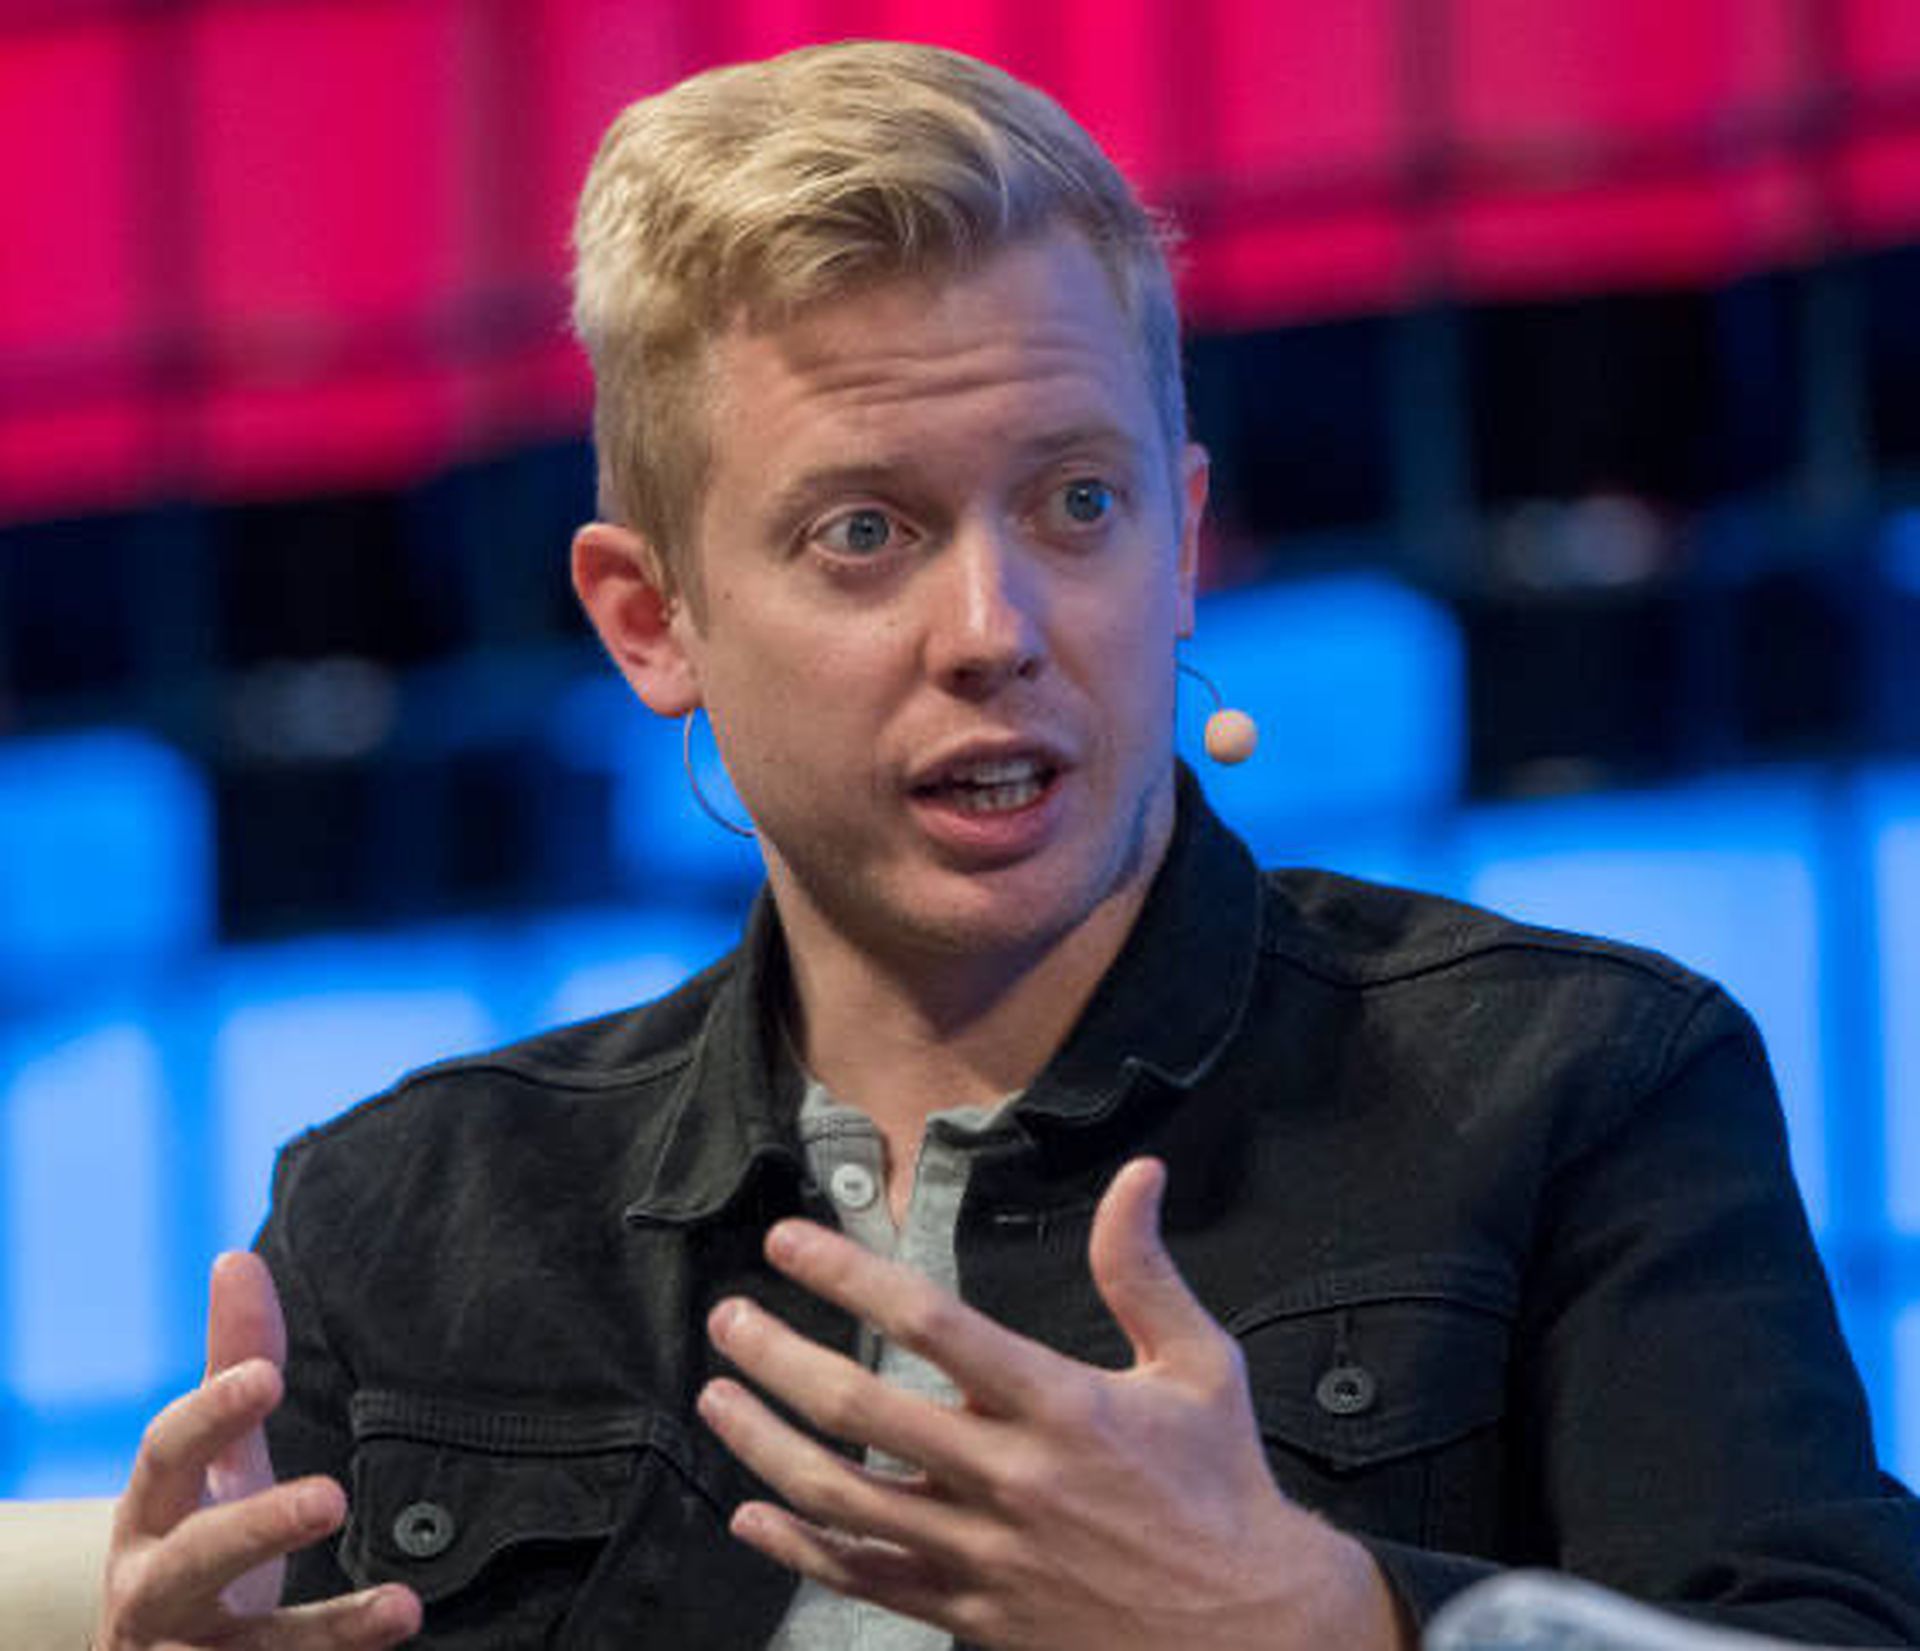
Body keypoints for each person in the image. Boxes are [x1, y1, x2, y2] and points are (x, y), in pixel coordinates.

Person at [94, 39, 1920, 1651]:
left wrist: (1324, 1624)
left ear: (1185, 538)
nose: (996, 625)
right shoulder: (402, 1223)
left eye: (1079, 504)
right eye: (867, 532)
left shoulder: (1576, 1089)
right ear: (652, 622)